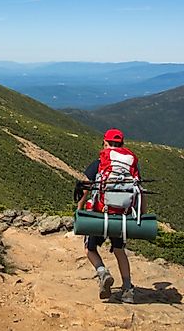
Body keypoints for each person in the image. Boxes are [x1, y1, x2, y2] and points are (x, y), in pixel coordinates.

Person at [76, 128, 141, 303]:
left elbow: (85, 188)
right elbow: (139, 191)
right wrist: (140, 215)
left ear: (104, 143)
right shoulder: (131, 164)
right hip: (122, 216)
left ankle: (103, 272)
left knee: (89, 249)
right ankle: (128, 289)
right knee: (120, 251)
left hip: (100, 214)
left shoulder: (100, 162)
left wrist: (79, 209)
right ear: (122, 145)